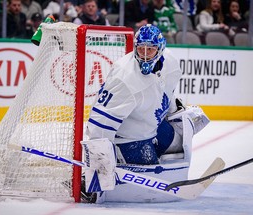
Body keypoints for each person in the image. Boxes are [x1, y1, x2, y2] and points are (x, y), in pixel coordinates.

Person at [81, 24, 209, 203]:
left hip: (154, 126)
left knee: (179, 138)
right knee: (150, 178)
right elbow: (99, 125)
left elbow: (167, 91)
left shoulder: (171, 63)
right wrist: (98, 170)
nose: (146, 54)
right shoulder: (125, 80)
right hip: (129, 139)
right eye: (141, 49)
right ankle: (116, 162)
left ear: (161, 48)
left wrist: (177, 114)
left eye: (151, 49)